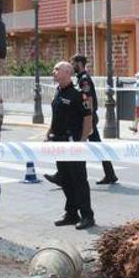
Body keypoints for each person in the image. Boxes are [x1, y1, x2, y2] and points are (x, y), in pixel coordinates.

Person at [44, 54, 118, 186]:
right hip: (86, 116)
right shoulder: (80, 78)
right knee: (96, 146)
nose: (72, 66)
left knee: (95, 146)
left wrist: (87, 118)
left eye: (73, 63)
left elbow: (87, 99)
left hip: (87, 117)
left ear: (79, 63)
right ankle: (109, 174)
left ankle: (108, 174)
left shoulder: (84, 79)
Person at [47, 61, 95, 230]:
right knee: (65, 178)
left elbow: (88, 118)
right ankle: (71, 213)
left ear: (67, 73)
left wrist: (83, 140)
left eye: (57, 69)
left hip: (73, 143)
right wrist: (49, 133)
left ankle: (87, 215)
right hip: (58, 142)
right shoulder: (58, 92)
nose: (54, 72)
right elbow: (56, 116)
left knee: (79, 180)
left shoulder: (78, 95)